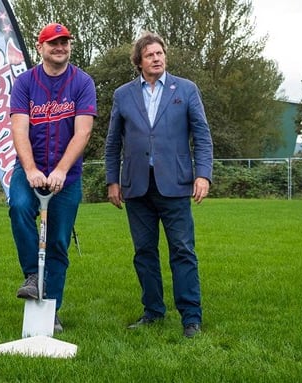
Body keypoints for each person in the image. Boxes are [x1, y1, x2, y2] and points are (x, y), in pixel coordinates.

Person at [104, 32, 213, 338]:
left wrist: (202, 174)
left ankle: (191, 317)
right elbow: (113, 143)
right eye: (150, 54)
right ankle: (153, 311)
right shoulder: (122, 95)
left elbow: (202, 136)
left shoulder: (187, 90)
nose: (157, 58)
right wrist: (113, 180)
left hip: (176, 185)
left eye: (160, 53)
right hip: (136, 187)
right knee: (144, 252)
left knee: (182, 250)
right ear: (139, 61)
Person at [8, 23, 97, 333]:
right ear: (40, 47)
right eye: (53, 43)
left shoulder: (82, 82)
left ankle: (52, 309)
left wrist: (61, 170)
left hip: (67, 176)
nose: (60, 48)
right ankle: (33, 275)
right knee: (19, 206)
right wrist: (31, 170)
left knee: (58, 242)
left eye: (64, 43)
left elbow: (82, 131)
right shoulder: (24, 83)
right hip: (30, 168)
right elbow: (19, 129)